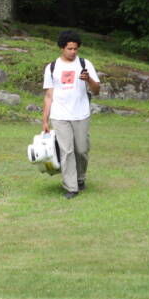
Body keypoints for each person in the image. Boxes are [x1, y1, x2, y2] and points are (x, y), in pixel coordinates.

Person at [42, 30, 100, 199]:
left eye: (76, 49)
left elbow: (96, 90)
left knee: (81, 150)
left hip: (81, 114)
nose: (73, 52)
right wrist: (44, 120)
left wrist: (88, 79)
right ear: (62, 48)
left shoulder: (85, 64)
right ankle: (71, 186)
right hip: (59, 115)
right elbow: (48, 96)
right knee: (66, 151)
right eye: (70, 49)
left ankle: (80, 178)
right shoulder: (52, 67)